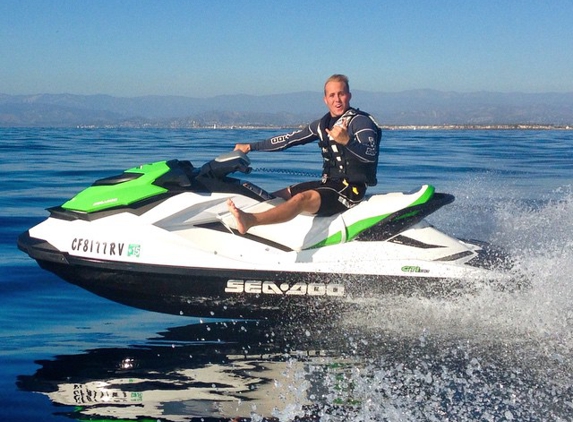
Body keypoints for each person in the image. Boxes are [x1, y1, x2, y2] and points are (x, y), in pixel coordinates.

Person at [227, 74, 381, 234]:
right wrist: (250, 147)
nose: (337, 99)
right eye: (332, 95)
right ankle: (241, 222)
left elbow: (371, 155)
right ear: (325, 99)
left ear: (349, 96)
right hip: (328, 184)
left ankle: (250, 221)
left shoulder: (360, 121)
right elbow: (289, 140)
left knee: (301, 199)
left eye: (341, 94)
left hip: (351, 190)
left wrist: (348, 141)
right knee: (276, 196)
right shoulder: (322, 125)